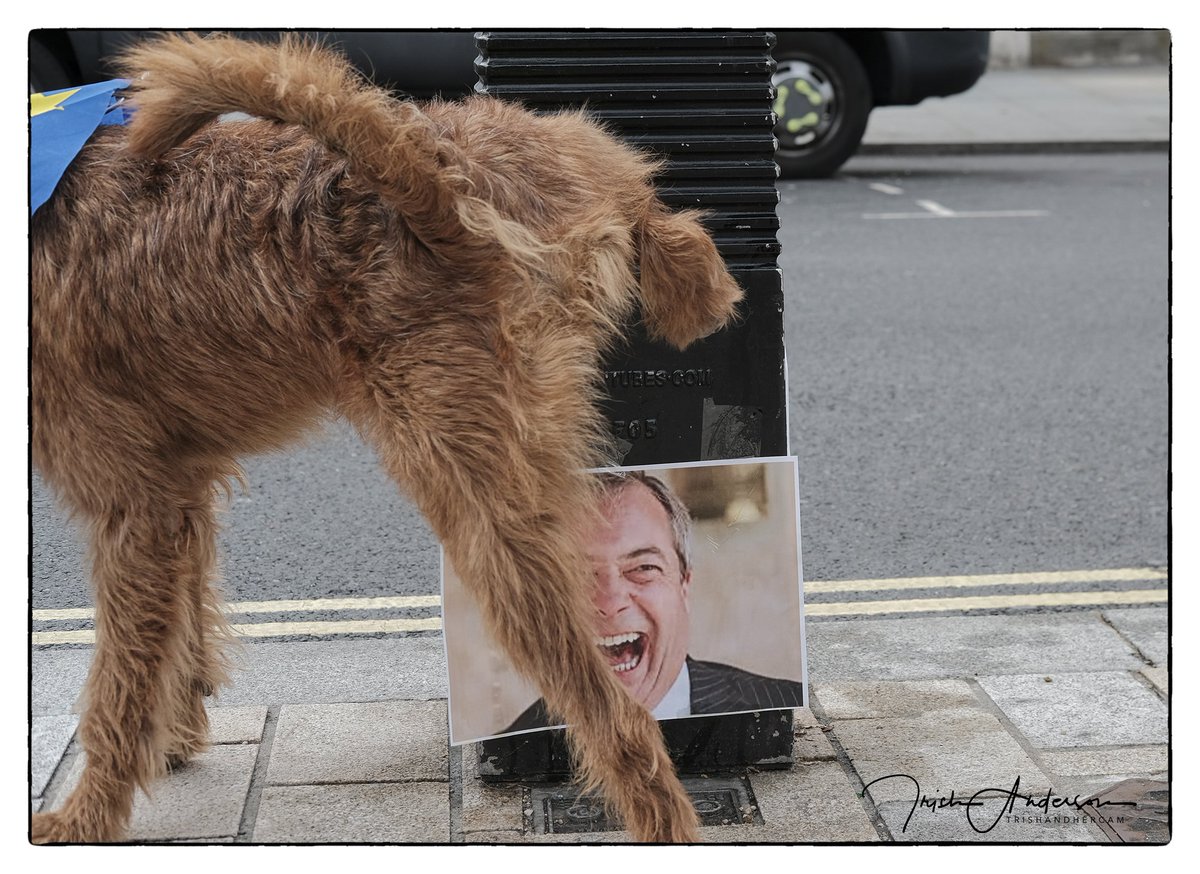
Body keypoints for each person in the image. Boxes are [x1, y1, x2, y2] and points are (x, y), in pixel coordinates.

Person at [504, 470, 804, 734]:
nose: (609, 603)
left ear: (683, 585)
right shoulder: (514, 744)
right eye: (576, 573)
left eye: (643, 568)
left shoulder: (783, 708)